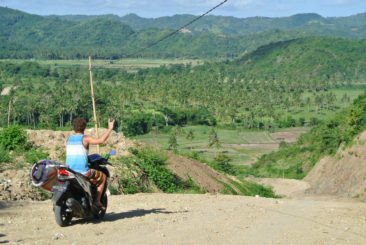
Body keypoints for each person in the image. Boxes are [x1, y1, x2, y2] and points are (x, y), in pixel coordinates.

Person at [65, 117, 115, 211]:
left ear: (74, 127)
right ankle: (97, 201)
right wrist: (110, 128)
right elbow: (101, 141)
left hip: (69, 172)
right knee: (102, 177)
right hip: (82, 172)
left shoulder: (68, 139)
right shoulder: (85, 138)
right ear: (84, 127)